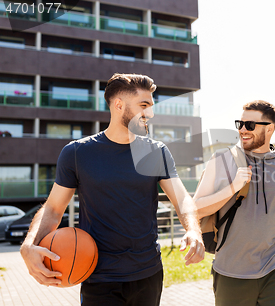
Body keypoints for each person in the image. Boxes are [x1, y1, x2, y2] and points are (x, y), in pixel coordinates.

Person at [20, 73, 204, 305]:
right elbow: (54, 209)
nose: (151, 114)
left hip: (147, 273)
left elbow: (182, 199)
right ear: (119, 105)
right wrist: (29, 244)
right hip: (98, 277)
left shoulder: (156, 152)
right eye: (144, 105)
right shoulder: (77, 153)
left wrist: (193, 230)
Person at [194, 100, 275, 306]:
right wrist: (232, 187)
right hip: (230, 271)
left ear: (270, 128)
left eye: (250, 125)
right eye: (240, 124)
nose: (243, 130)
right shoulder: (220, 160)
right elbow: (195, 209)